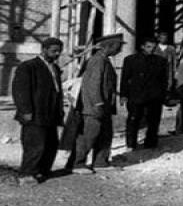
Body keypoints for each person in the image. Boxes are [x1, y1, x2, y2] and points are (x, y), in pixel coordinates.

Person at [12, 38, 64, 184]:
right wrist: (25, 111)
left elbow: (57, 91)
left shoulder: (54, 68)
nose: (57, 54)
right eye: (54, 51)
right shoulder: (28, 67)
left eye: (59, 51)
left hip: (50, 114)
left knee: (51, 145)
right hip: (34, 114)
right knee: (35, 145)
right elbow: (20, 91)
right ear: (44, 49)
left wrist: (59, 111)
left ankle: (41, 171)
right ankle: (26, 174)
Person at [69, 34, 124, 174]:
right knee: (89, 135)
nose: (120, 49)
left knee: (105, 135)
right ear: (109, 46)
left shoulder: (104, 60)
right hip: (94, 106)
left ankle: (100, 162)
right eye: (118, 46)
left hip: (104, 106)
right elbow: (93, 84)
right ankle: (78, 164)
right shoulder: (97, 61)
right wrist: (98, 103)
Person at [120, 37, 168, 150]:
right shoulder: (130, 60)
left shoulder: (161, 61)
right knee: (133, 120)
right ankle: (131, 144)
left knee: (153, 121)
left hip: (154, 97)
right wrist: (123, 95)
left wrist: (163, 95)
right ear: (142, 47)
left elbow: (163, 80)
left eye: (153, 47)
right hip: (136, 96)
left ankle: (151, 144)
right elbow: (125, 79)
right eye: (148, 47)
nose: (151, 50)